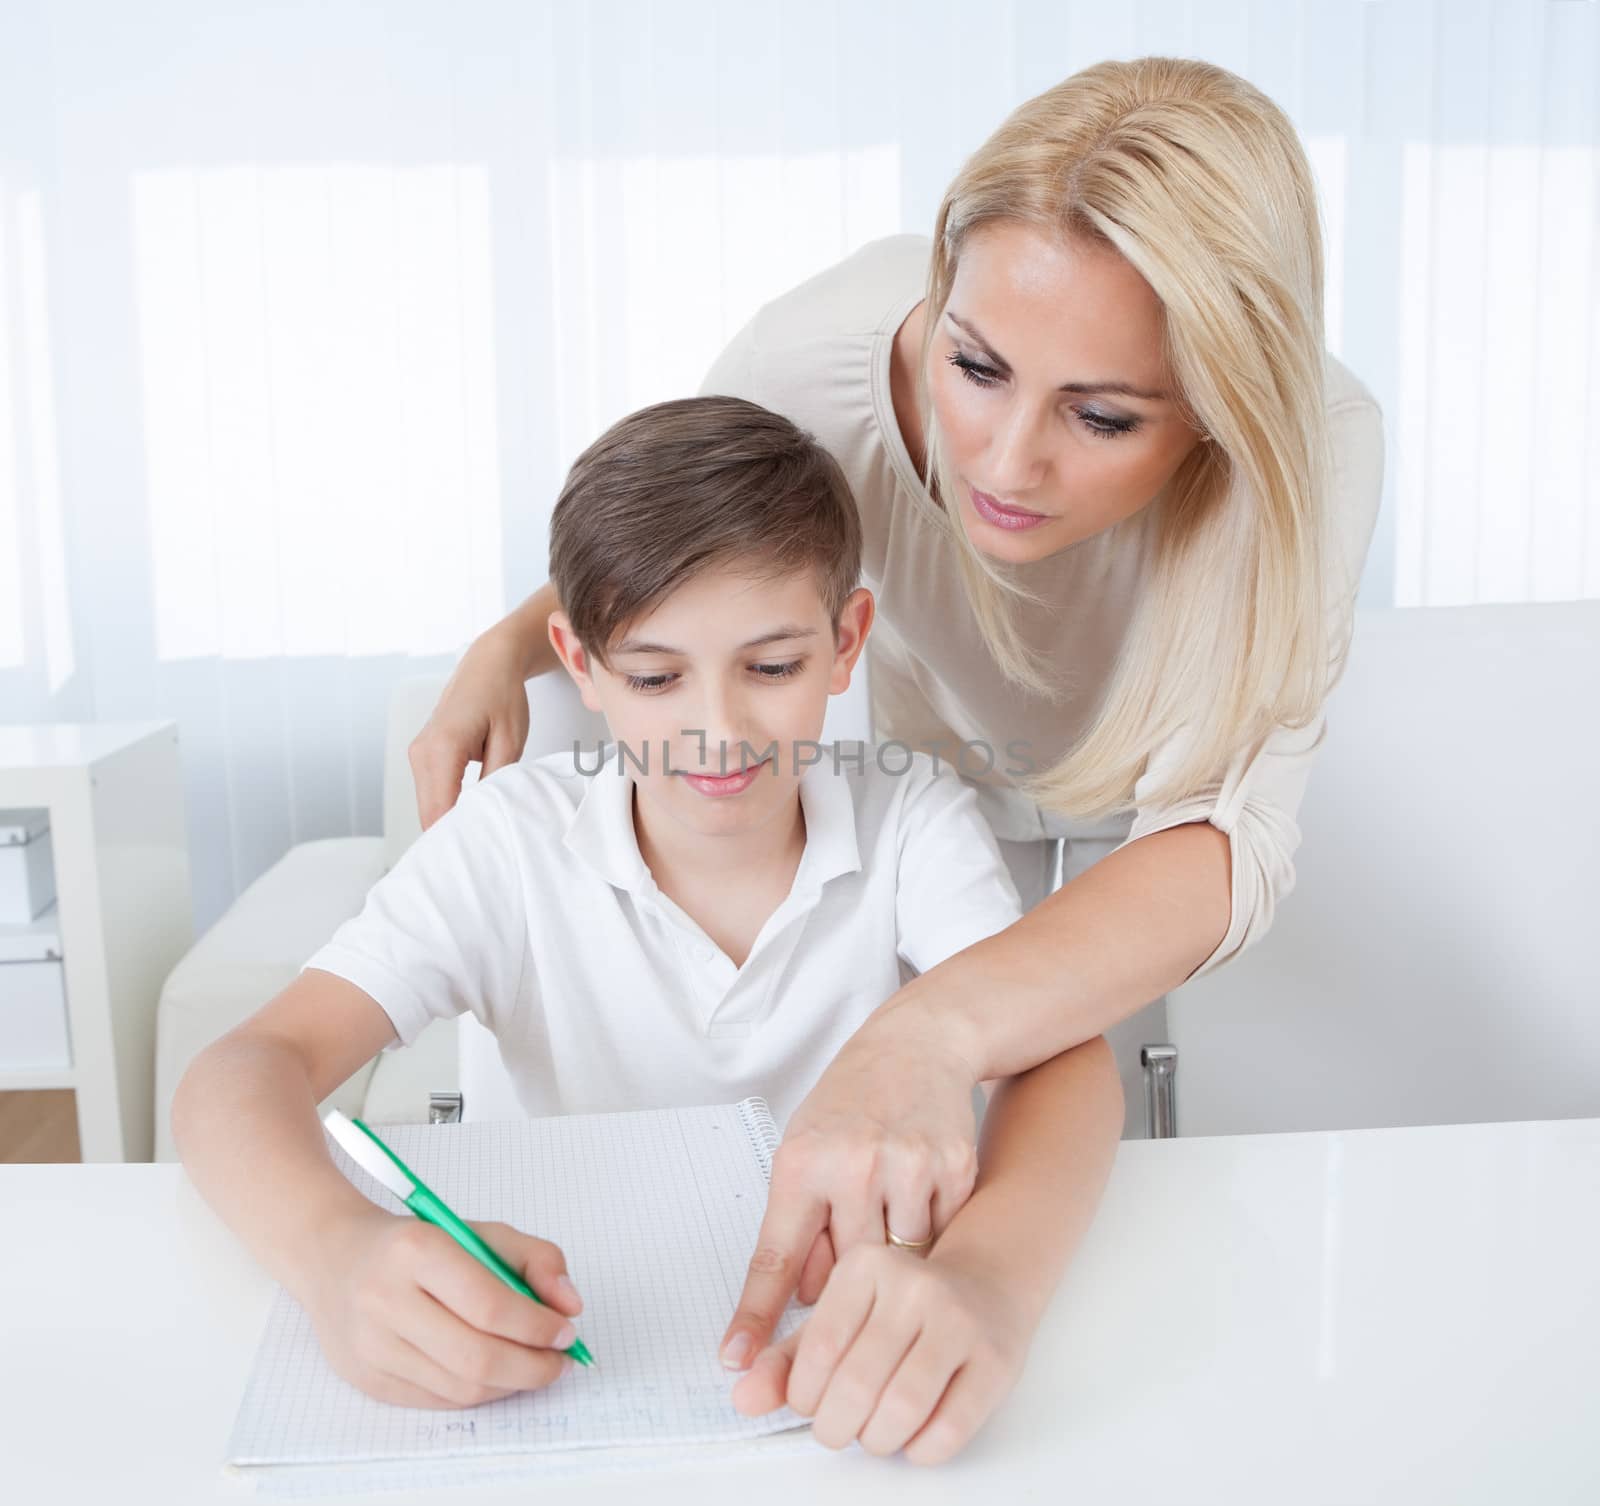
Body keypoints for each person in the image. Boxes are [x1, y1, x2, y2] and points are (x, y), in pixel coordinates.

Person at [410, 57, 1384, 1375]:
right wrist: (508, 644)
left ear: (1217, 410)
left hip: (1149, 832)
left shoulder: (1307, 446)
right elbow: (689, 554)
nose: (1003, 460)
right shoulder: (812, 357)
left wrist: (933, 1060)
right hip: (944, 785)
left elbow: (1228, 835)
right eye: (974, 366)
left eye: (1099, 415)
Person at [171, 396, 1123, 1465]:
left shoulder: (913, 825)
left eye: (770, 668)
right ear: (578, 665)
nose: (717, 731)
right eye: (656, 677)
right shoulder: (508, 845)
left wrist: (989, 1276)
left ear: (845, 642)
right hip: (560, 1384)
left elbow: (1063, 1064)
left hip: (834, 1386)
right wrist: (329, 1250)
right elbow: (241, 1071)